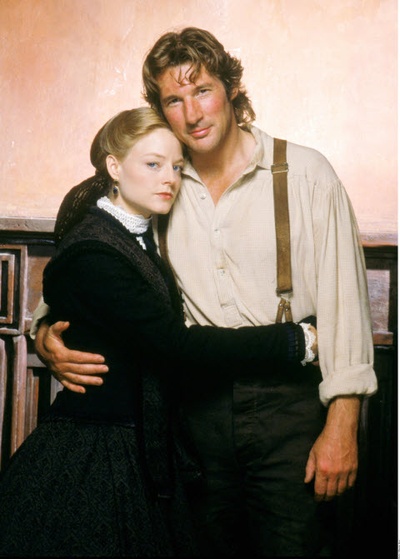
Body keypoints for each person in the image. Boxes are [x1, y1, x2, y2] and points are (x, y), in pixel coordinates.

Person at [32, 28, 377, 557]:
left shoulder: (306, 174)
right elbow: (89, 260)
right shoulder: (158, 180)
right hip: (192, 412)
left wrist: (342, 425)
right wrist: (42, 333)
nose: (192, 113)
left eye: (203, 90)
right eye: (174, 99)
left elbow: (347, 308)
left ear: (231, 88)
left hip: (288, 408)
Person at [0, 107, 317, 557]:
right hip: (97, 448)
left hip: (146, 439)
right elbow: (175, 345)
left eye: (176, 167)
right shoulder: (95, 251)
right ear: (114, 167)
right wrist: (295, 341)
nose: (168, 178)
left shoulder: (142, 234)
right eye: (152, 164)